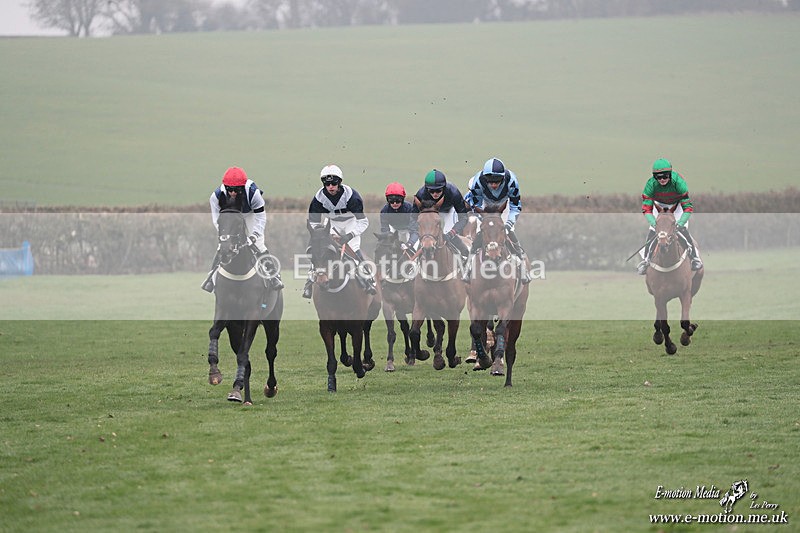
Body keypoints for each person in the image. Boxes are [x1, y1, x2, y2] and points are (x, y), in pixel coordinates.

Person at [201, 166, 284, 293]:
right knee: (222, 247)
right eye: (230, 189)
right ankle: (211, 278)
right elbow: (217, 220)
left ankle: (273, 276)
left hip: (250, 214)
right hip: (230, 217)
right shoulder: (216, 197)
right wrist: (226, 236)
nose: (233, 193)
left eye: (237, 190)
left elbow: (261, 217)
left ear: (243, 187)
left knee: (259, 245)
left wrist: (255, 235)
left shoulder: (253, 193)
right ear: (225, 187)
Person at [302, 164, 377, 299]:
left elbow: (363, 222)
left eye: (334, 183)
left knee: (354, 250)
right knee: (319, 251)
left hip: (351, 223)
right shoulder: (318, 199)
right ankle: (309, 283)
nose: (330, 186)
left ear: (340, 183)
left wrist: (349, 235)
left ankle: (369, 280)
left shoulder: (352, 197)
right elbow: (313, 222)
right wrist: (320, 234)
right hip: (331, 225)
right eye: (327, 183)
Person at [463, 157, 531, 284]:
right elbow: (476, 206)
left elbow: (515, 206)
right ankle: (468, 267)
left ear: (503, 178)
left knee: (510, 231)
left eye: (497, 181)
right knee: (480, 232)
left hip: (504, 204)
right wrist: (483, 220)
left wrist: (509, 223)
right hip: (485, 205)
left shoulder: (512, 181)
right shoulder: (478, 182)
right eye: (490, 181)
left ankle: (522, 266)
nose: (493, 185)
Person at [637, 158, 703, 275]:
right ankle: (646, 260)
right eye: (658, 177)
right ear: (654, 177)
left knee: (682, 229)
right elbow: (646, 208)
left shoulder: (679, 183)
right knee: (652, 231)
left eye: (665, 176)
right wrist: (654, 223)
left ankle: (694, 257)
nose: (662, 179)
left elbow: (687, 207)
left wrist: (681, 222)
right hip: (659, 206)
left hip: (677, 206)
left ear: (670, 174)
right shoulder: (650, 185)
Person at [412, 169, 470, 259]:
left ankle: (465, 257)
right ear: (427, 189)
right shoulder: (420, 194)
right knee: (421, 239)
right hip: (429, 214)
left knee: (447, 234)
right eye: (431, 191)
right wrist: (421, 233)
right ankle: (414, 264)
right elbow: (413, 217)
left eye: (438, 190)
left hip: (449, 211)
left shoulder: (453, 192)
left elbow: (464, 218)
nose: (435, 194)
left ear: (444, 187)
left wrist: (452, 233)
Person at [380, 182, 419, 252]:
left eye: (398, 201)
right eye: (391, 201)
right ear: (388, 200)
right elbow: (385, 230)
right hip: (394, 229)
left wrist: (410, 243)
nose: (395, 203)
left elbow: (414, 231)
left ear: (402, 200)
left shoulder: (410, 209)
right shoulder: (384, 211)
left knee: (414, 249)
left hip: (409, 230)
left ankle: (416, 262)